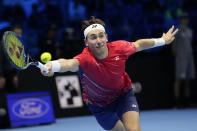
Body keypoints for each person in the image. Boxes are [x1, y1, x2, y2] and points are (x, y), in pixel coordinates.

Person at [42, 16, 178, 131]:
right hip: (99, 105)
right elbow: (69, 63)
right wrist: (53, 65)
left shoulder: (120, 48)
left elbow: (139, 44)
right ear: (86, 42)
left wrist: (162, 41)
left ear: (106, 37)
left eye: (101, 36)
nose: (99, 40)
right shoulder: (85, 59)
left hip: (122, 95)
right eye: (93, 37)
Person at [0, 24, 22, 128]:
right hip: (3, 75)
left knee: (14, 97)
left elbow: (19, 62)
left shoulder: (19, 46)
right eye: (17, 33)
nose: (19, 35)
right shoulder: (2, 44)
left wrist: (16, 75)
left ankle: (15, 121)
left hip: (11, 75)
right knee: (2, 100)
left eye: (20, 34)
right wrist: (1, 76)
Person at [172, 12, 195, 108]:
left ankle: (187, 101)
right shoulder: (177, 31)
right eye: (182, 18)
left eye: (185, 18)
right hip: (180, 59)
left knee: (187, 80)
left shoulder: (190, 31)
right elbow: (173, 45)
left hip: (189, 58)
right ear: (180, 20)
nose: (184, 20)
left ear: (187, 20)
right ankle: (177, 102)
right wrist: (177, 56)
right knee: (178, 79)